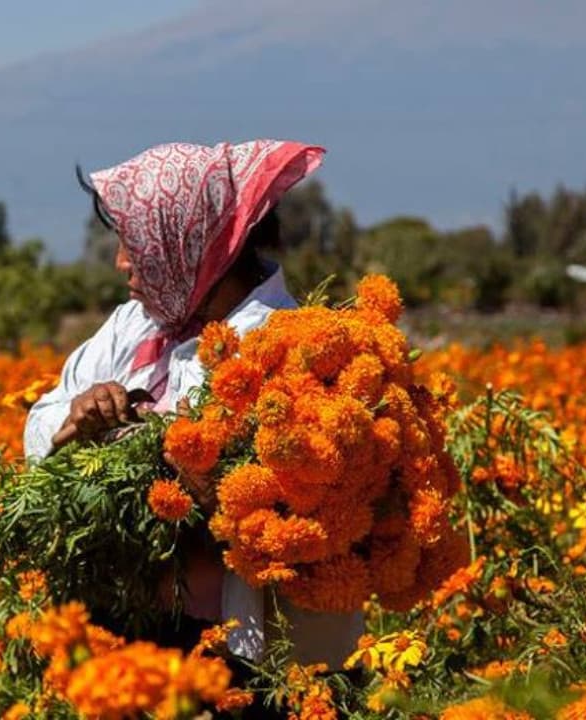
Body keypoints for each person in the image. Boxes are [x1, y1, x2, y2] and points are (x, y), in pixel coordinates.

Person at [23, 140, 363, 677]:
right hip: (122, 629)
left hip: (241, 660)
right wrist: (77, 421)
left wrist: (171, 450)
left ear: (192, 243)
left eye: (136, 243)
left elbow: (278, 519)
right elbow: (42, 422)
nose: (121, 263)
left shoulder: (287, 349)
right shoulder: (133, 325)